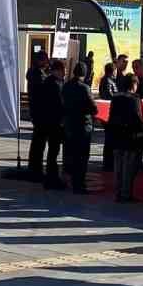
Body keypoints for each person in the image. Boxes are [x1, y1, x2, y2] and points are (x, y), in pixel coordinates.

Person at [107, 75, 143, 203]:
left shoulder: (116, 97)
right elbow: (139, 118)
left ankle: (118, 192)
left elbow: (111, 115)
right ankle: (126, 193)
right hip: (130, 137)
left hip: (117, 135)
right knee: (128, 167)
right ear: (134, 84)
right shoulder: (135, 99)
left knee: (118, 165)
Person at [61, 64, 98, 194]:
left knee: (70, 154)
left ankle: (68, 179)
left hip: (69, 124)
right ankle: (79, 184)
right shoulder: (85, 88)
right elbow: (94, 108)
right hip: (83, 126)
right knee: (82, 157)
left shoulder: (66, 86)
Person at [34, 60, 67, 189]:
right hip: (54, 123)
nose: (64, 73)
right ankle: (52, 178)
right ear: (56, 71)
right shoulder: (54, 84)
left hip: (48, 122)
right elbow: (59, 104)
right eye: (62, 70)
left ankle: (50, 177)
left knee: (52, 151)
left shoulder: (49, 82)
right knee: (53, 151)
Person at [25, 51, 50, 181]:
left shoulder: (34, 73)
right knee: (39, 142)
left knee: (37, 141)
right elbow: (43, 93)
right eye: (46, 60)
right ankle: (36, 169)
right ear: (41, 61)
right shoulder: (38, 75)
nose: (47, 63)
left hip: (36, 111)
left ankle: (34, 167)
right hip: (40, 112)